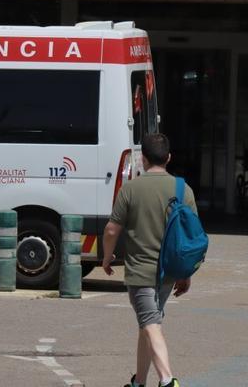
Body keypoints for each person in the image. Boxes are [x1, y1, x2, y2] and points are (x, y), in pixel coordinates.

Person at [102, 132, 198, 387]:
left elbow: (112, 229)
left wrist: (107, 257)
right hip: (169, 272)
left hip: (141, 273)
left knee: (151, 324)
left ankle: (167, 380)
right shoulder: (183, 189)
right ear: (168, 158)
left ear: (142, 159)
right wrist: (185, 274)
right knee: (147, 323)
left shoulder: (131, 189)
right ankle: (139, 382)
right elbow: (189, 238)